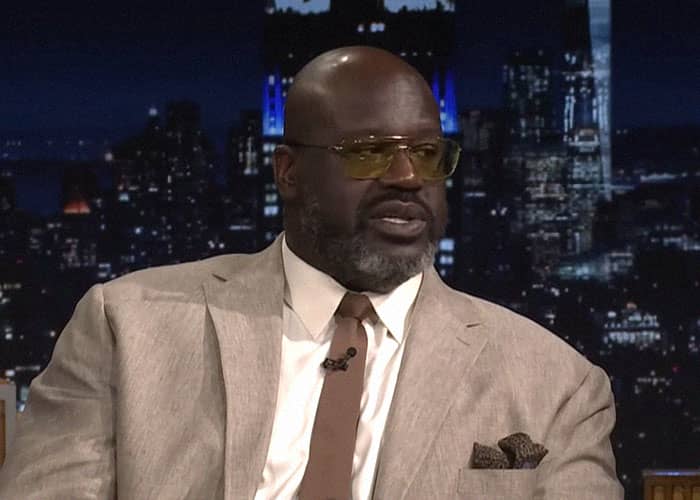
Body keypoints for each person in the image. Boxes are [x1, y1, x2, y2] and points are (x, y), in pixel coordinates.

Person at [0, 46, 623, 499]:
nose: (408, 177)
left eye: (427, 154)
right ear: (288, 173)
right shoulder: (126, 327)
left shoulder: (557, 385)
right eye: (370, 153)